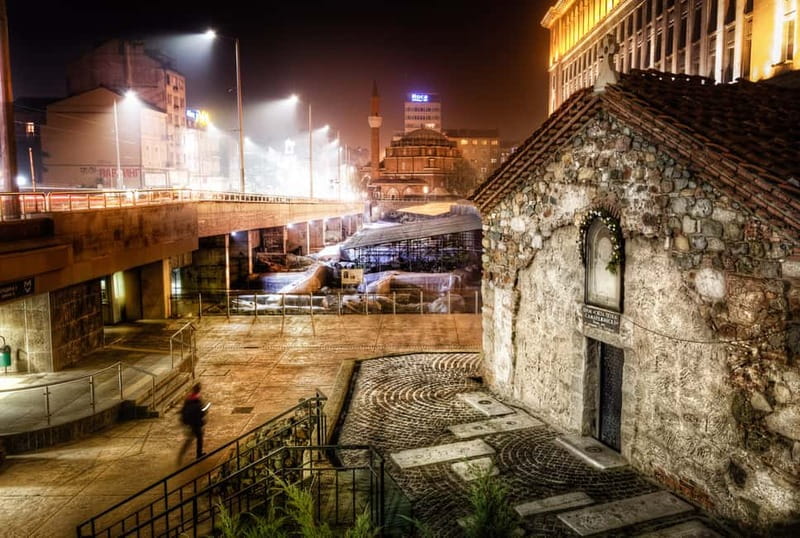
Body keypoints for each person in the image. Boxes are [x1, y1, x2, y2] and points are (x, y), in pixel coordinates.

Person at [177, 383, 207, 464]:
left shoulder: (188, 399)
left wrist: (184, 420)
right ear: (199, 390)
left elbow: (183, 410)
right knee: (199, 438)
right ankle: (199, 454)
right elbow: (202, 412)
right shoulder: (198, 400)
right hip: (196, 423)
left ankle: (181, 455)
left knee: (189, 440)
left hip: (189, 422)